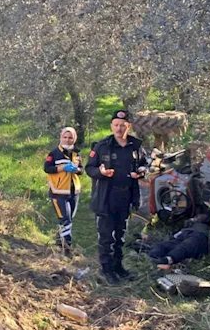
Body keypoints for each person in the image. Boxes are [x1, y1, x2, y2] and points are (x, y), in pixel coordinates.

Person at [85, 110, 149, 284]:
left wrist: (142, 172)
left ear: (129, 126)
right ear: (111, 126)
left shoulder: (135, 146)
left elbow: (144, 164)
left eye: (123, 125)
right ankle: (107, 270)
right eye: (116, 125)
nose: (119, 128)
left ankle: (118, 267)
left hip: (126, 196)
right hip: (106, 197)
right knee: (107, 237)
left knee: (120, 235)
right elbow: (89, 168)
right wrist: (100, 171)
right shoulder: (102, 146)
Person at [43, 127, 83, 254]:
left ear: (74, 139)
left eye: (70, 137)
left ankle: (59, 241)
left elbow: (81, 170)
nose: (67, 140)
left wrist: (76, 170)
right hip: (58, 191)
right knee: (65, 219)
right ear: (61, 138)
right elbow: (47, 168)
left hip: (73, 191)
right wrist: (62, 168)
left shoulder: (77, 154)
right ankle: (67, 247)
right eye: (65, 137)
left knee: (69, 218)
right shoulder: (54, 153)